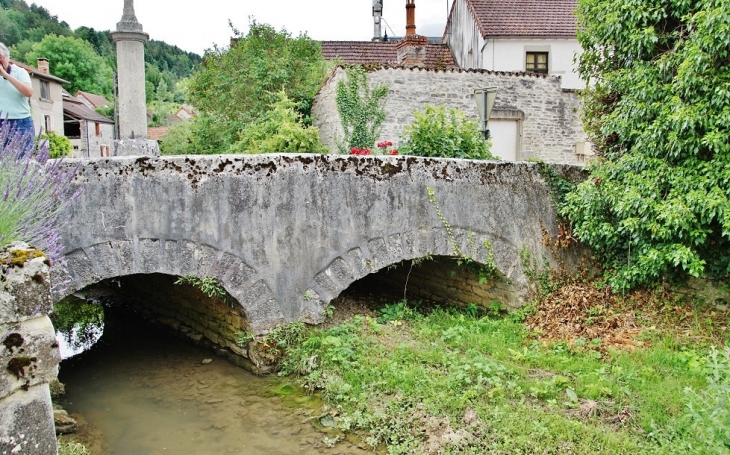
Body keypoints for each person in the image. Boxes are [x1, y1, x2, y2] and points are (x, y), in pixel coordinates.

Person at [0, 42, 35, 153]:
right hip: (1, 121)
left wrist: (5, 75)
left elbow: (28, 92)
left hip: (21, 122)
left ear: (6, 57)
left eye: (0, 57)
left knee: (23, 160)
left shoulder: (20, 72)